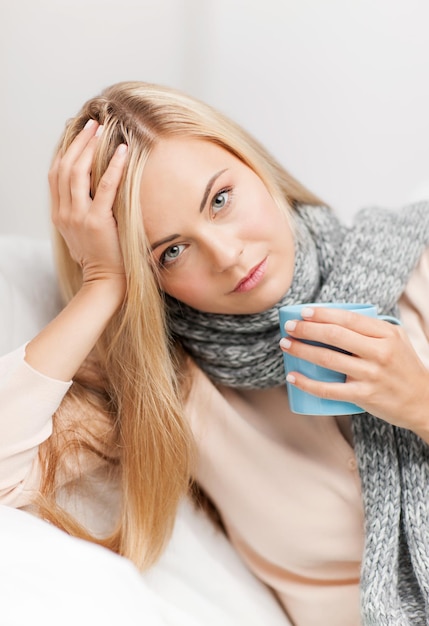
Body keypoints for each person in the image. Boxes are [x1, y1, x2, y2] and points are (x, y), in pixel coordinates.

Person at [1, 80, 429, 626]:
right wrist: (103, 282)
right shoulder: (168, 393)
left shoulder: (418, 267)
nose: (227, 256)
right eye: (172, 251)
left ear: (250, 163)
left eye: (220, 201)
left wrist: (419, 401)